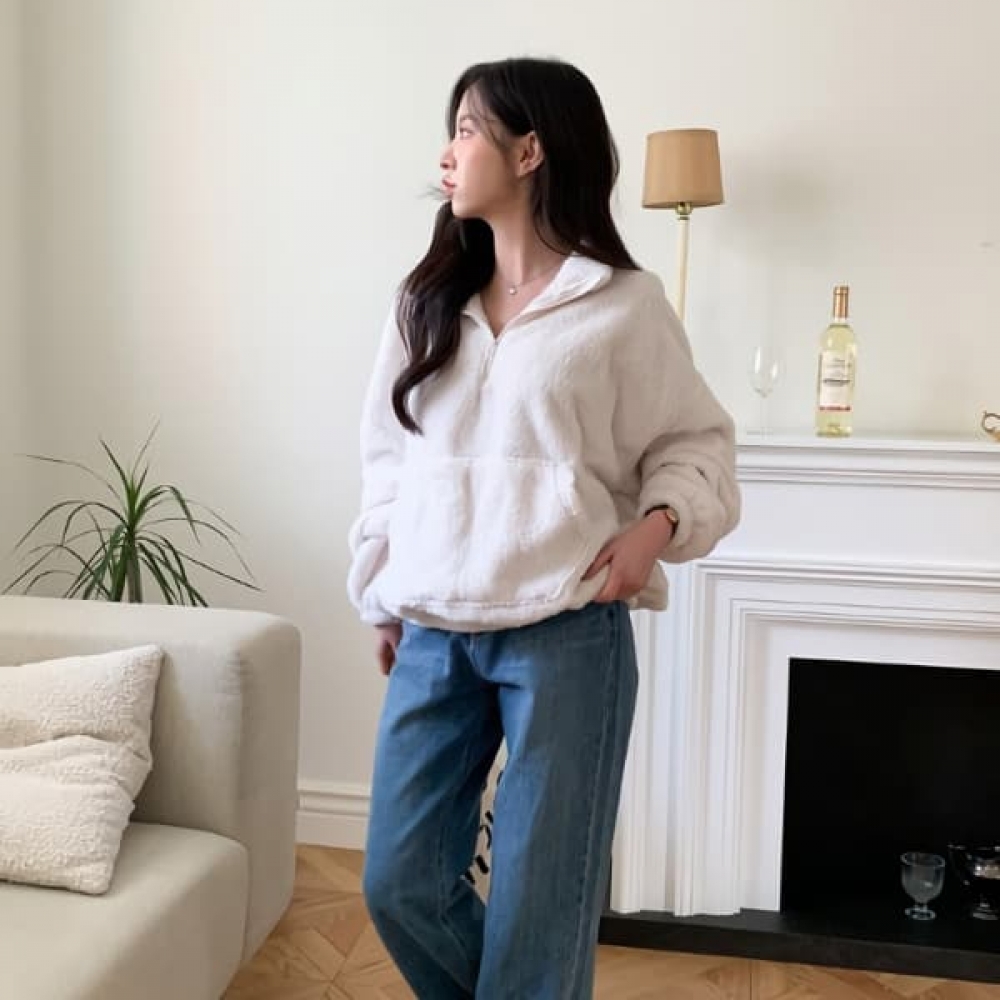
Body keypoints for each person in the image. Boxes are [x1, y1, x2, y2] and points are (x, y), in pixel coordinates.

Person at [347, 56, 740, 1000]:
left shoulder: (622, 305)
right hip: (435, 628)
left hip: (566, 633)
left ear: (529, 151)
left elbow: (696, 442)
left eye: (467, 130)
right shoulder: (425, 302)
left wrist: (654, 529)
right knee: (398, 883)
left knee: (539, 908)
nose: (448, 155)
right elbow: (389, 461)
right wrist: (382, 588)